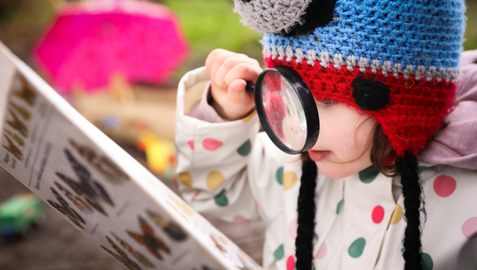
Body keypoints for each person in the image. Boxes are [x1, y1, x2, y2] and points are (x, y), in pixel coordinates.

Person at [174, 1, 476, 269]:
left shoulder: (466, 198)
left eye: (328, 101)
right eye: (288, 97)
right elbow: (209, 193)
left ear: (406, 101)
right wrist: (225, 113)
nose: (296, 125)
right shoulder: (287, 164)